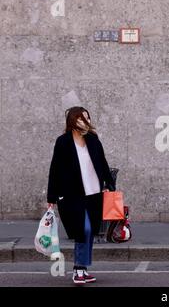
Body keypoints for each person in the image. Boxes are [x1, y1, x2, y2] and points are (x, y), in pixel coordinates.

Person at [47, 106, 115, 284]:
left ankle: (82, 269)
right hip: (72, 195)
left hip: (94, 193)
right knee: (82, 229)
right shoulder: (63, 142)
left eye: (88, 118)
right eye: (82, 118)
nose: (87, 121)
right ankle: (78, 269)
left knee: (90, 231)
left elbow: (102, 162)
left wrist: (109, 184)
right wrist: (51, 197)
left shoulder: (93, 139)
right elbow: (55, 169)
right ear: (73, 121)